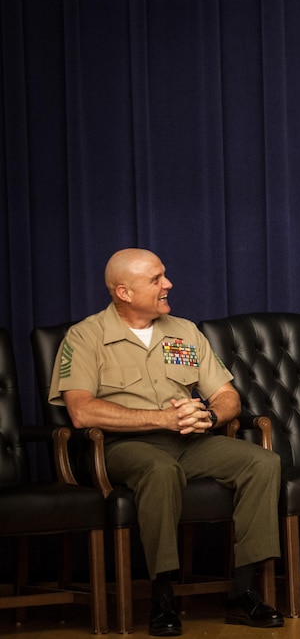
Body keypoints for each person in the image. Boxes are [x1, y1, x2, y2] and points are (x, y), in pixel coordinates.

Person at [48, 248, 283, 636]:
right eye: (156, 279)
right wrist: (162, 418)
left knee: (262, 462)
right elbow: (81, 412)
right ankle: (162, 597)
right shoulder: (86, 336)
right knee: (160, 469)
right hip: (123, 448)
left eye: (164, 276)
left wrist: (207, 416)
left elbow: (228, 396)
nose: (168, 284)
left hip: (190, 441)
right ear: (123, 292)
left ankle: (243, 592)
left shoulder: (185, 330)